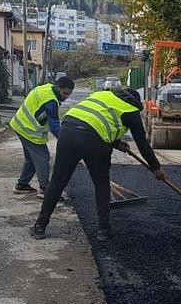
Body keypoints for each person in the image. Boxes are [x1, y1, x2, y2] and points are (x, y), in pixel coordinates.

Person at [30, 88, 165, 241]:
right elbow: (142, 144)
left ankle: (40, 226)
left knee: (57, 182)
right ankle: (103, 231)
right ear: (134, 101)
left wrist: (116, 142)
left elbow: (96, 118)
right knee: (101, 184)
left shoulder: (102, 94)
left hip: (68, 131)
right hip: (94, 141)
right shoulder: (131, 109)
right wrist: (156, 168)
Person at [9, 77, 75, 199]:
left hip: (19, 124)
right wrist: (67, 142)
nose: (66, 97)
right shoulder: (51, 101)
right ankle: (45, 189)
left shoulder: (47, 89)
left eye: (69, 94)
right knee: (43, 157)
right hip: (28, 129)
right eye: (64, 93)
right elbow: (55, 127)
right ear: (58, 88)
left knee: (32, 159)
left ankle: (22, 185)